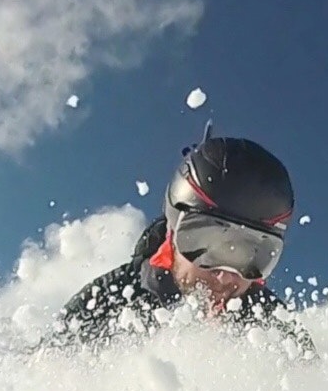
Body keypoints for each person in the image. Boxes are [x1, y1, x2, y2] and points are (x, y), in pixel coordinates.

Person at [60, 132, 301, 339]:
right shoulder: (104, 304)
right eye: (207, 244)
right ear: (173, 230)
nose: (225, 277)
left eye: (251, 255)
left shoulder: (277, 332)